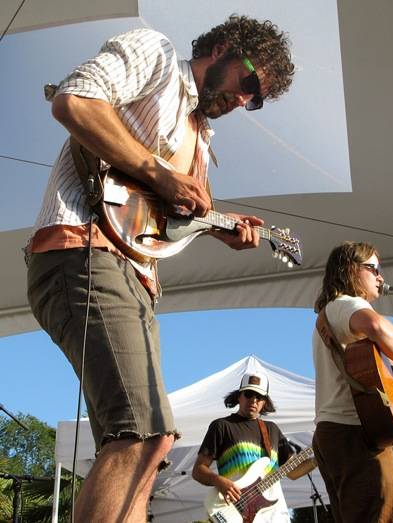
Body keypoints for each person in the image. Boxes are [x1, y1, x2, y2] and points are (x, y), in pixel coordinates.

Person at [25, 15, 294, 522]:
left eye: (256, 100)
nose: (245, 101)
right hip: (84, 249)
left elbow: (160, 215)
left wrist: (218, 226)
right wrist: (160, 174)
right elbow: (74, 100)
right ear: (222, 48)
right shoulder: (157, 55)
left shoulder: (203, 140)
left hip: (139, 277)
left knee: (150, 444)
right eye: (249, 83)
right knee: (140, 431)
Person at [311, 241, 393, 523]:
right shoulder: (347, 304)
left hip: (335, 435)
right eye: (373, 269)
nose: (380, 277)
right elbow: (377, 326)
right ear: (350, 270)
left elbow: (370, 378)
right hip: (355, 435)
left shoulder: (332, 315)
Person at [192, 372, 296, 522]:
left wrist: (318, 457)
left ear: (264, 402)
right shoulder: (222, 426)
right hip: (235, 510)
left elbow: (292, 472)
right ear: (239, 396)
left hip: (273, 514)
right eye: (249, 394)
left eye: (259, 397)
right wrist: (218, 481)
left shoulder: (272, 429)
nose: (253, 400)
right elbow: (198, 470)